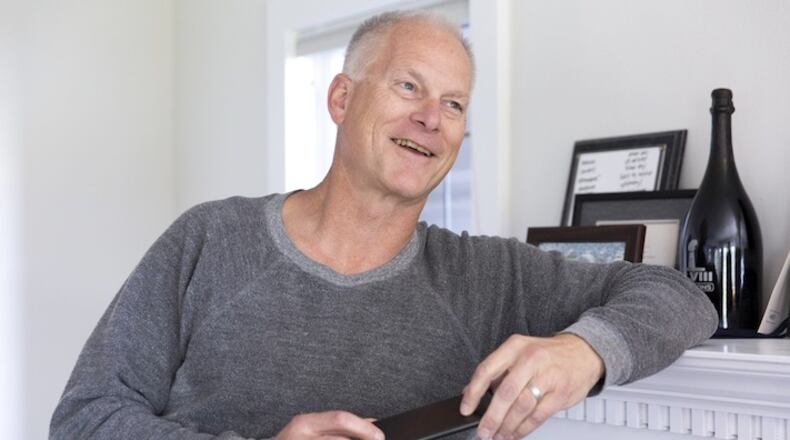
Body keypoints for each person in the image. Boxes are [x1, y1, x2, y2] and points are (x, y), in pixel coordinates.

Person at [50, 10, 718, 440]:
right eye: (408, 86)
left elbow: (681, 297)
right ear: (342, 98)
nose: (431, 117)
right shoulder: (211, 240)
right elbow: (85, 418)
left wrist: (584, 351)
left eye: (453, 104)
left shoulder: (486, 277)